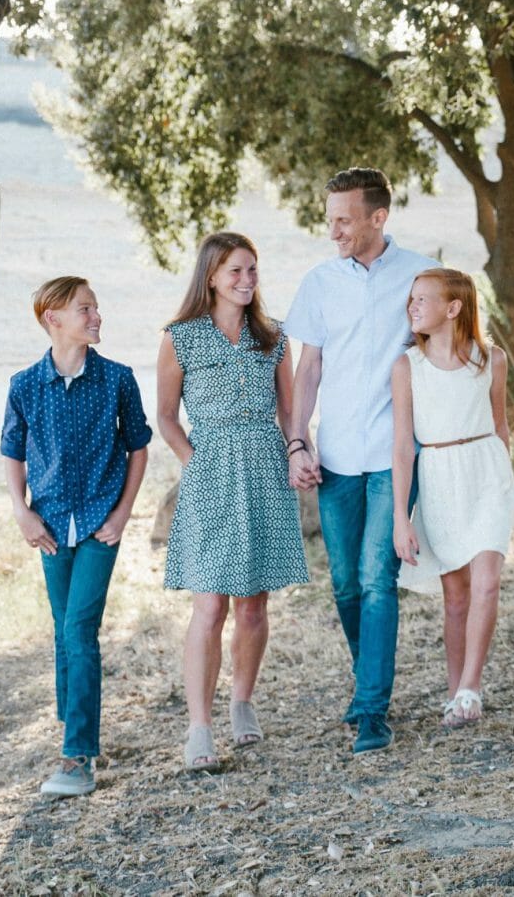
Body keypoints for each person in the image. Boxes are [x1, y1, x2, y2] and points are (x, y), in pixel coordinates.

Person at [285, 168, 438, 754]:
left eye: (344, 220)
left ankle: (372, 708)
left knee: (378, 578)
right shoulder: (320, 282)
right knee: (346, 584)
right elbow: (309, 369)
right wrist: (298, 441)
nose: (334, 232)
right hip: (339, 456)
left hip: (398, 453)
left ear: (379, 218)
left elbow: (444, 348)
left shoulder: (419, 276)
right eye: (330, 220)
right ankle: (366, 682)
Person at [158, 232, 309, 773]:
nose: (246, 282)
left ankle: (242, 700)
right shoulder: (182, 337)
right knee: (210, 606)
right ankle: (199, 726)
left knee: (253, 603)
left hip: (265, 467)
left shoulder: (273, 338)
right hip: (210, 472)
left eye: (252, 271)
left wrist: (298, 450)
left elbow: (292, 412)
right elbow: (168, 417)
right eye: (235, 272)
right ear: (211, 277)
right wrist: (193, 462)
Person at [1, 276, 152, 796]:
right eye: (85, 309)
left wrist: (124, 514)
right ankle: (75, 725)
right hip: (48, 525)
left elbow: (138, 448)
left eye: (97, 308)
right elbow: (12, 451)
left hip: (98, 525)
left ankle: (78, 755)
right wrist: (21, 512)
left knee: (80, 629)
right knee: (63, 627)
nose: (96, 317)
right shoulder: (24, 385)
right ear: (54, 319)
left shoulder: (118, 380)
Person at [391, 268, 514, 728]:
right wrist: (400, 518)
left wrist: (506, 479)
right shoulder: (408, 367)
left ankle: (471, 689)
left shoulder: (491, 360)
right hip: (441, 478)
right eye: (411, 300)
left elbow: (500, 426)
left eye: (422, 300)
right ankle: (454, 690)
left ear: (454, 308)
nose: (413, 308)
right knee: (457, 596)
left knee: (486, 582)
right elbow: (403, 446)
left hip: (487, 475)